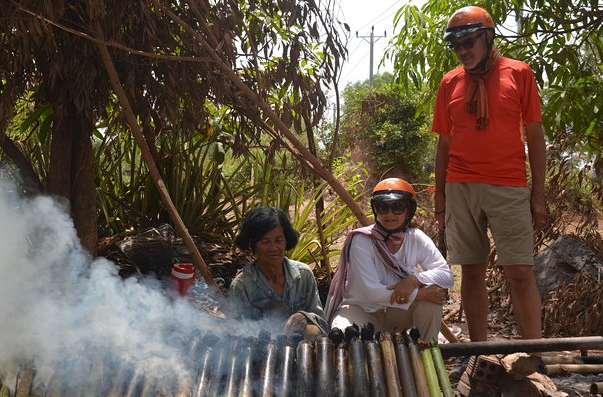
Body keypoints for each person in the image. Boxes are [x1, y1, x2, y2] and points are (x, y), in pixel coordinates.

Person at [432, 6, 546, 345]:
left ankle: (535, 353)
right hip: (460, 186)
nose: (463, 50)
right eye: (456, 45)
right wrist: (439, 194)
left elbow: (536, 137)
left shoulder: (519, 73)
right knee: (471, 270)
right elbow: (444, 142)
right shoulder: (450, 82)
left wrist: (538, 196)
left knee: (520, 272)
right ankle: (479, 352)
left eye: (469, 41)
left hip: (509, 185)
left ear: (488, 37)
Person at [324, 178, 454, 341]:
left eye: (397, 207)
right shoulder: (362, 240)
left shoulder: (416, 237)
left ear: (409, 210)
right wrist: (421, 293)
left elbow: (447, 276)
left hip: (397, 312)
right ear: (375, 209)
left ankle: (426, 353)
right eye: (382, 207)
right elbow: (373, 293)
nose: (389, 214)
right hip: (361, 309)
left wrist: (413, 280)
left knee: (431, 303)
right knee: (344, 335)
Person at [227, 206, 327, 336]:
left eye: (279, 241)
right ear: (252, 244)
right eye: (265, 242)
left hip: (303, 352)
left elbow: (322, 325)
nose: (273, 248)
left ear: (286, 241)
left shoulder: (304, 275)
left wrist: (304, 317)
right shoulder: (242, 286)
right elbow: (237, 334)